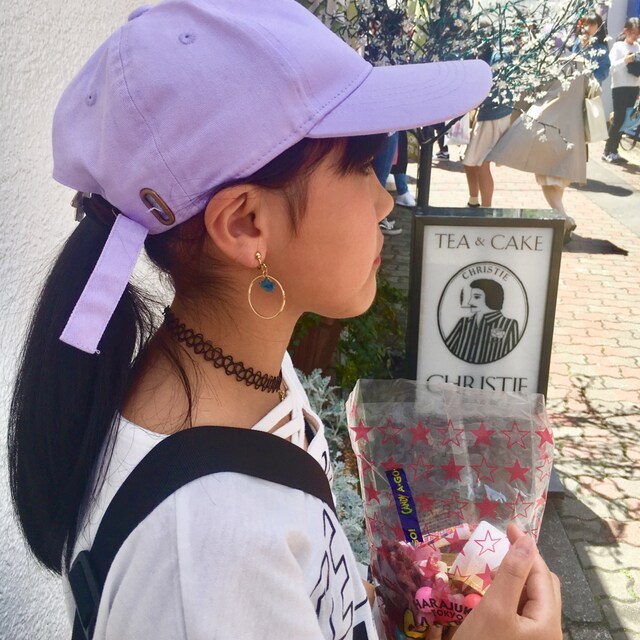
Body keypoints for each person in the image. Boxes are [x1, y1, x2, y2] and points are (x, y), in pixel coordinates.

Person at [7, 1, 561, 639]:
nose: (385, 199)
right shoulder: (210, 552)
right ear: (246, 223)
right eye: (361, 167)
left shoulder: (247, 375)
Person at [463, 49, 513, 208]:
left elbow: (495, 87)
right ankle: (474, 202)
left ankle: (486, 209)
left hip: (494, 113)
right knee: (471, 161)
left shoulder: (500, 54)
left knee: (481, 162)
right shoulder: (492, 52)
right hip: (490, 112)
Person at [444, 279, 520, 364]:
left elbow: (511, 359)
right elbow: (444, 352)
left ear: (491, 298)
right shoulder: (464, 322)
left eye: (476, 297)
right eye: (471, 297)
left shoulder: (509, 324)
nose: (470, 302)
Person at [603, 17, 640, 164]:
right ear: (626, 30)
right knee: (618, 119)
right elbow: (610, 68)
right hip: (619, 87)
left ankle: (614, 150)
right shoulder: (618, 46)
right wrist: (625, 60)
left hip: (634, 87)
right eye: (632, 32)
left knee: (625, 120)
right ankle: (607, 151)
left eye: (637, 33)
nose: (635, 36)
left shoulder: (638, 47)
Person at [571, 12, 610, 86]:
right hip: (575, 84)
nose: (588, 28)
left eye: (592, 25)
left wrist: (589, 76)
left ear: (599, 28)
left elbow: (603, 73)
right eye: (585, 25)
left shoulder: (601, 49)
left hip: (590, 86)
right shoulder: (577, 43)